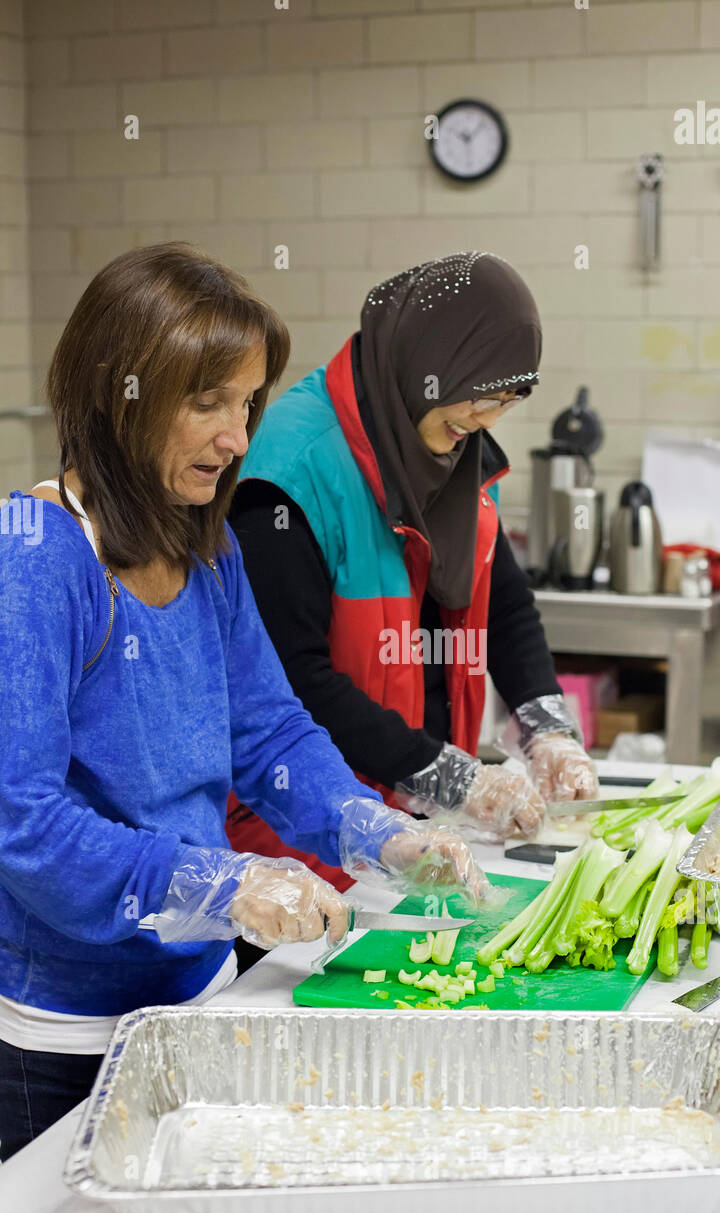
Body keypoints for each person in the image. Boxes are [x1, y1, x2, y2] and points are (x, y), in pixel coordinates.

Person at [0, 243, 493, 1161]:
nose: (238, 437)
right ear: (121, 395)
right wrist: (220, 882)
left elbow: (268, 731)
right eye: (208, 403)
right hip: (66, 1038)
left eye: (248, 404)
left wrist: (375, 829)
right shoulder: (38, 556)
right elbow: (20, 824)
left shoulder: (209, 550)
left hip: (201, 993)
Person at [227, 251, 598, 884]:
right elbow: (289, 679)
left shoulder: (451, 449)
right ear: (432, 363)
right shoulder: (293, 468)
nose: (484, 421)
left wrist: (545, 728)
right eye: (478, 397)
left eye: (505, 402)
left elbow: (503, 601)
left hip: (414, 823)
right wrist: (449, 776)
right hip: (308, 836)